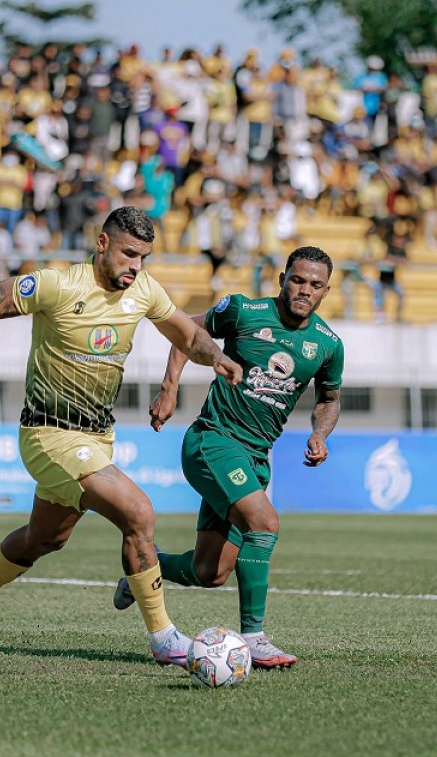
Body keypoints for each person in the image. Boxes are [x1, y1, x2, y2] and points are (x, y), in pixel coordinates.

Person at [0, 206, 243, 667]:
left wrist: (216, 358)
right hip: (47, 433)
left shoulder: (143, 291)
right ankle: (164, 638)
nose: (135, 268)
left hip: (97, 437)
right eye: (128, 254)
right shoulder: (58, 285)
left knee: (45, 538)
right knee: (138, 513)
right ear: (103, 244)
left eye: (144, 258)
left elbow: (188, 336)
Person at [112, 246, 344, 670]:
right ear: (282, 278)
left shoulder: (327, 344)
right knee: (265, 522)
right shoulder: (243, 310)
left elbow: (329, 398)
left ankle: (144, 569)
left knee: (210, 572)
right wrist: (170, 387)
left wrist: (319, 432)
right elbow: (187, 334)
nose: (304, 290)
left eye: (315, 285)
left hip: (255, 458)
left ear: (326, 291)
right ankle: (254, 638)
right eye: (297, 279)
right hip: (212, 441)